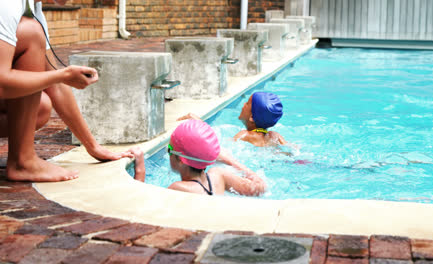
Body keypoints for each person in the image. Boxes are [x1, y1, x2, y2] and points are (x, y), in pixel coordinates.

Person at [0, 0, 132, 182]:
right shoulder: (7, 4)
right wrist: (62, 75)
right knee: (30, 33)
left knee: (41, 109)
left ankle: (23, 160)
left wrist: (93, 146)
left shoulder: (32, 8)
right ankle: (23, 162)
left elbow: (55, 81)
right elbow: (2, 84)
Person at [130, 119, 266, 196]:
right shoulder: (219, 176)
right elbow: (259, 187)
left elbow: (141, 206)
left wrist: (140, 169)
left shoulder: (179, 188)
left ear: (181, 160)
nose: (168, 153)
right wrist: (230, 160)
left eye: (169, 150)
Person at [178, 92, 286, 147]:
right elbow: (294, 149)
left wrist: (200, 123)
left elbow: (217, 144)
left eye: (247, 103)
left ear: (252, 117)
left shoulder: (244, 135)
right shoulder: (274, 136)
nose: (243, 104)